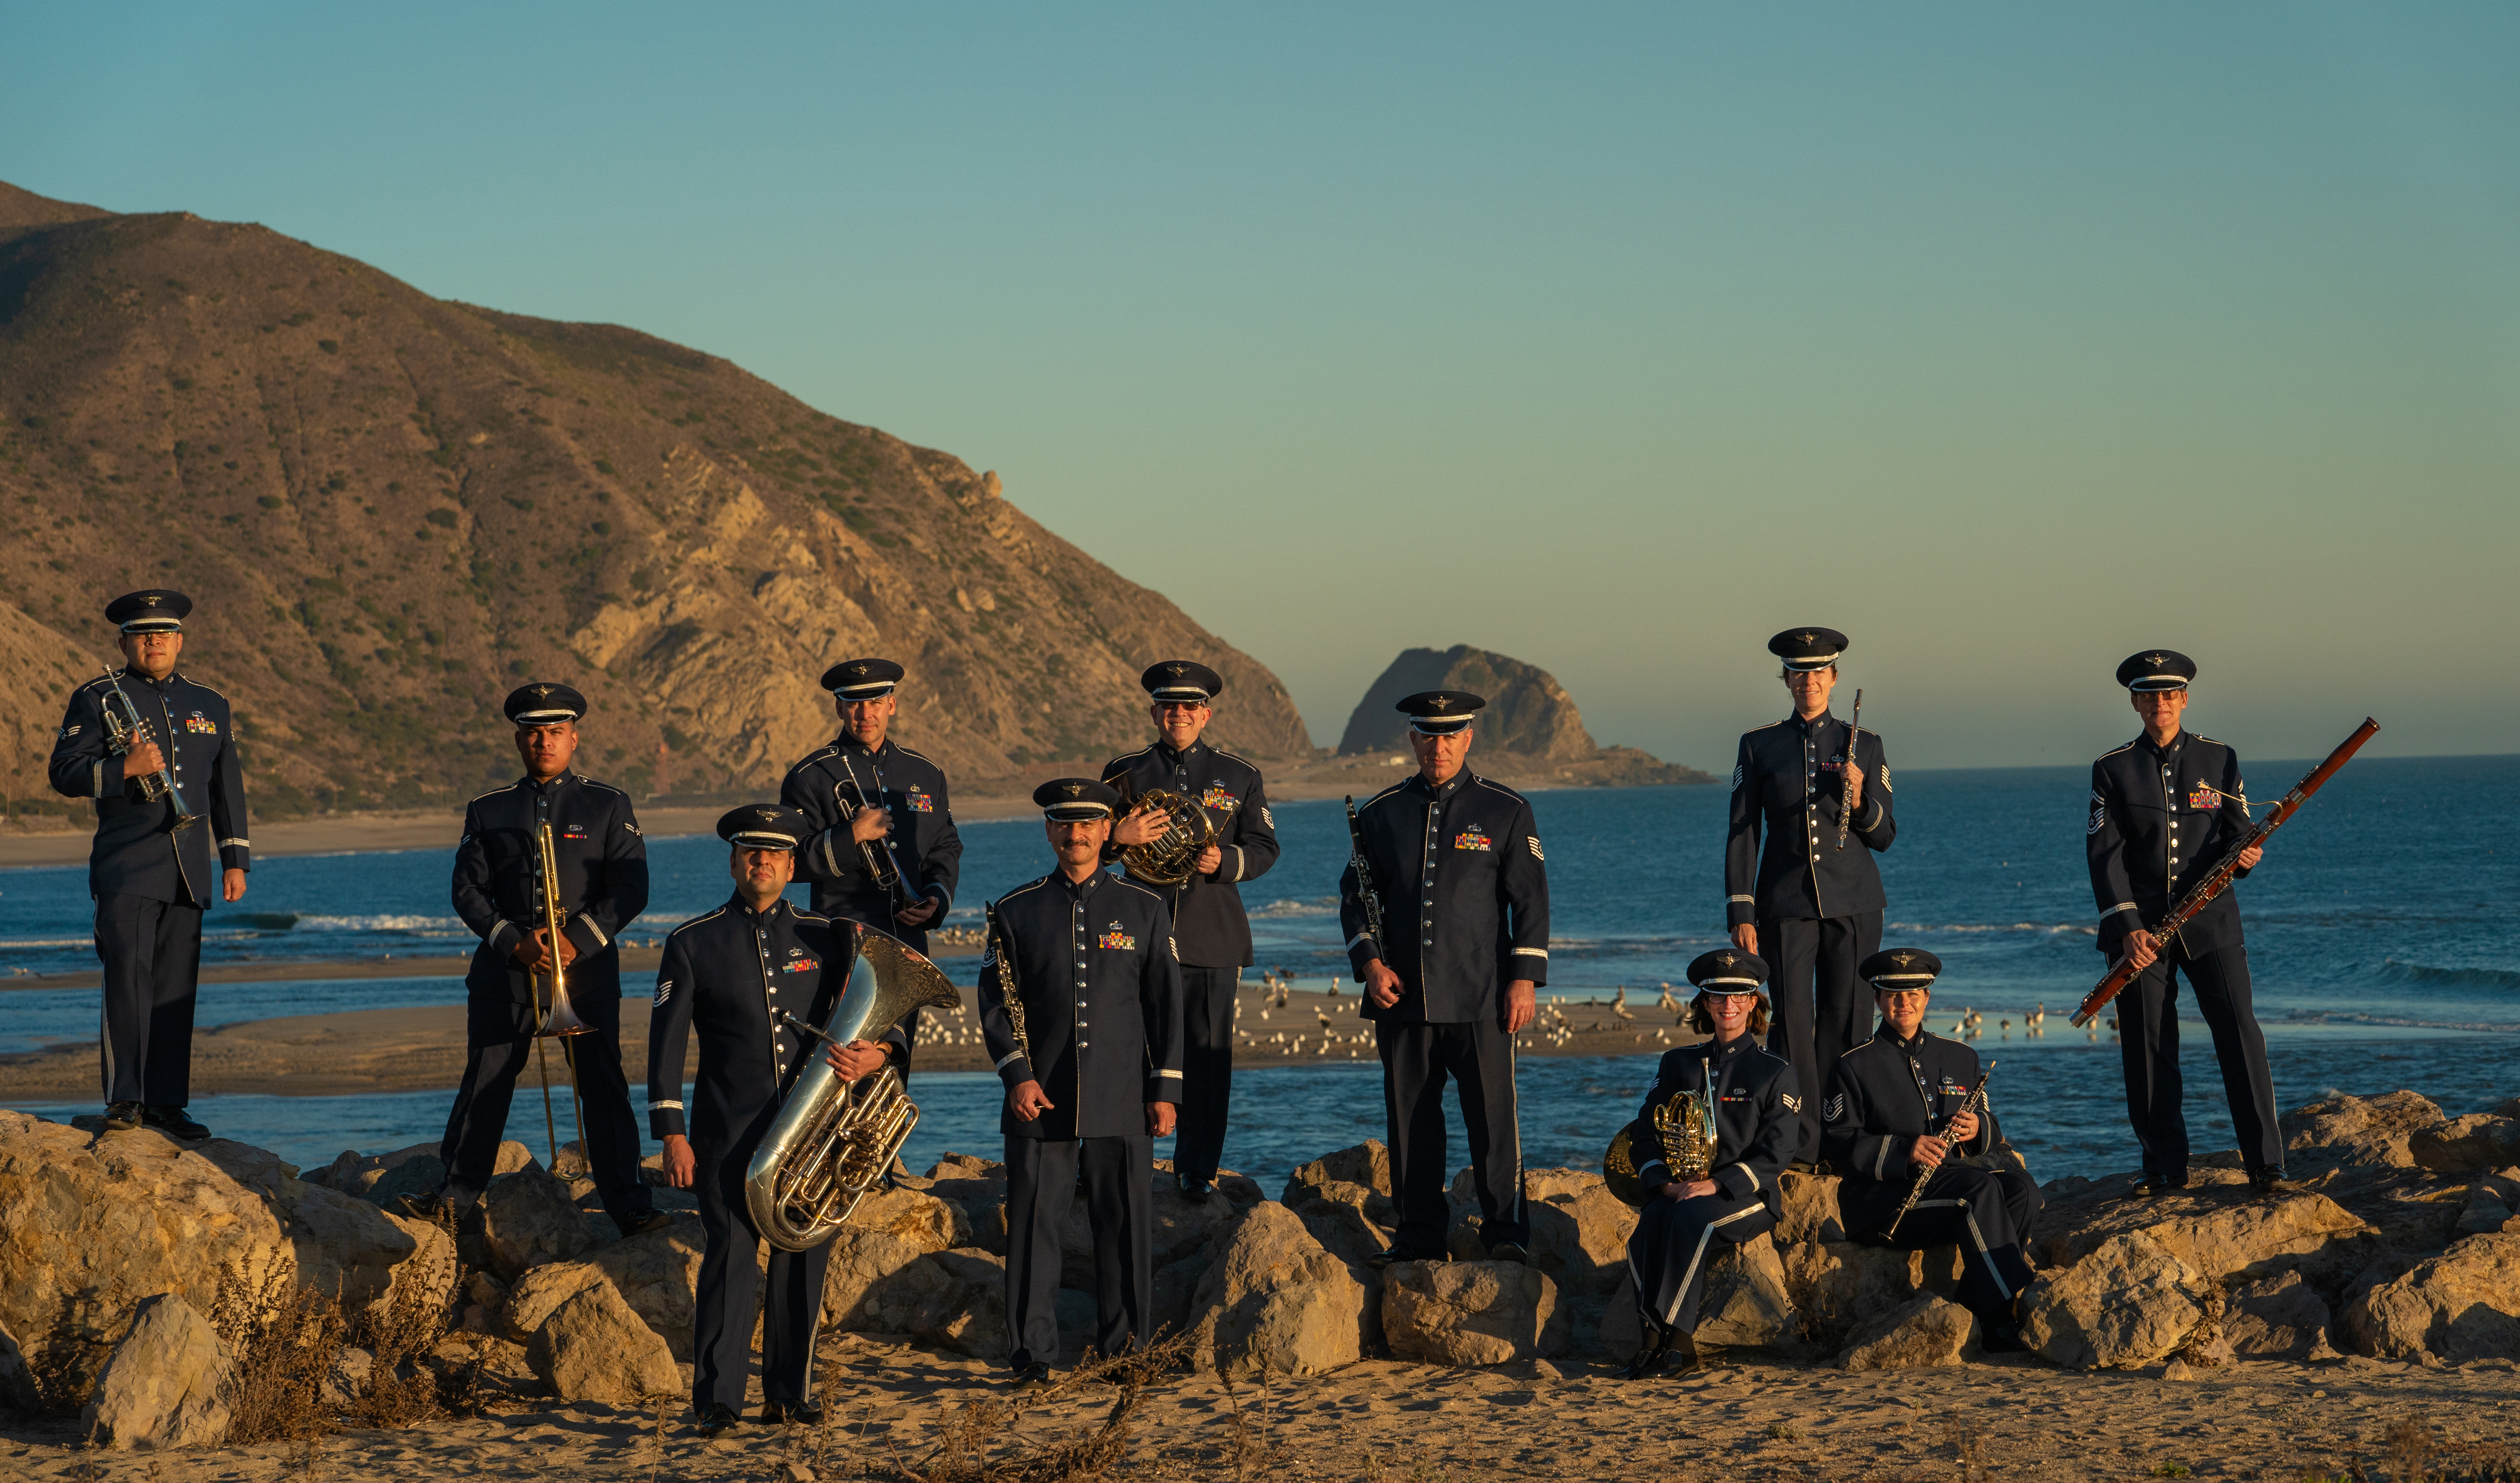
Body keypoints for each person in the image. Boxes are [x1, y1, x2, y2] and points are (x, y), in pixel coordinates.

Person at [648, 805, 902, 1434]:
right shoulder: (693, 940)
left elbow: (884, 1006)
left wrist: (882, 1051)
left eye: (774, 854)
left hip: (816, 1132)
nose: (761, 862)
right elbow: (666, 1046)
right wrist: (672, 1132)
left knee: (802, 1262)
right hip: (727, 1132)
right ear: (734, 863)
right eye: (749, 853)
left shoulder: (830, 935)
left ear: (792, 866)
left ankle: (791, 1393)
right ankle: (717, 1401)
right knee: (730, 1260)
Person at [424, 683, 667, 1234]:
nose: (544, 741)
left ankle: (627, 1202)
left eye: (555, 731)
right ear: (519, 739)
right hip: (505, 974)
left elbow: (632, 886)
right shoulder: (488, 808)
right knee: (486, 1084)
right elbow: (467, 890)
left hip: (584, 976)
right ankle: (456, 1194)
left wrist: (575, 938)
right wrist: (513, 938)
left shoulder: (607, 804)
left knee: (603, 1088)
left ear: (574, 738)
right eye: (534, 732)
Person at [979, 779, 1183, 1390]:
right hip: (1039, 1098)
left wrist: (1165, 1088)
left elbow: (1166, 1006)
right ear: (1049, 832)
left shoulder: (1146, 907)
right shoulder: (1014, 910)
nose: (1076, 834)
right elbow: (994, 1003)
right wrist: (1016, 1075)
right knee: (1035, 1227)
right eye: (1064, 824)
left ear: (1105, 829)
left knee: (1123, 1226)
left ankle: (1125, 1349)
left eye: (1088, 823)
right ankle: (1031, 1354)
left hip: (1125, 1095)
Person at [1339, 690, 1549, 1266]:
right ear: (1413, 739)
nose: (1438, 746)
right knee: (1411, 1125)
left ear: (1468, 737)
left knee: (1494, 1122)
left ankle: (1506, 1231)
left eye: (1450, 735)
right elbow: (1356, 894)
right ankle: (1418, 1235)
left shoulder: (1506, 809)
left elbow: (1529, 900)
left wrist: (1524, 979)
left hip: (1483, 995)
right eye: (1427, 735)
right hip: (1401, 998)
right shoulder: (1382, 813)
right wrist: (1370, 963)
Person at [45, 590, 250, 1140]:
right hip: (127, 867)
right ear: (124, 642)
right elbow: (63, 772)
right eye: (142, 633)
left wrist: (235, 860)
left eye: (163, 632)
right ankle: (126, 1098)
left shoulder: (211, 703)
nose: (153, 641)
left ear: (180, 640)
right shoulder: (96, 698)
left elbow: (226, 786)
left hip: (189, 868)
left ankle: (166, 1102)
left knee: (175, 989)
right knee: (128, 983)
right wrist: (123, 768)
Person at [2087, 650, 2289, 1196]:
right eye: (2150, 695)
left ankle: (2267, 1165)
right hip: (2142, 930)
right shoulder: (2113, 768)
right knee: (2148, 1047)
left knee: (2241, 1036)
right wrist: (2127, 925)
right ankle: (2164, 1167)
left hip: (2212, 921)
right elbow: (2105, 855)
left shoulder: (2219, 758)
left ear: (2185, 698)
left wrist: (2247, 855)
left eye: (2170, 694)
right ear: (2135, 701)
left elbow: (2236, 831)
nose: (2161, 703)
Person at [1101, 659, 1281, 1199]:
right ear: (1155, 711)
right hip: (1137, 931)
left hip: (1212, 935)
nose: (1179, 715)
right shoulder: (1124, 772)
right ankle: (1119, 1161)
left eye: (1189, 707)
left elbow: (1265, 848)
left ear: (1207, 714)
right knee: (1128, 1048)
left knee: (1207, 1058)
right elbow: (1087, 843)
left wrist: (1224, 862)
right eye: (1169, 706)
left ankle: (1197, 1169)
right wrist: (1121, 837)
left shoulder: (1240, 775)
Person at [1724, 626, 1895, 1167]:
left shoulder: (1864, 743)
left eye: (1819, 673)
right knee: (1792, 1022)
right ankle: (1801, 1144)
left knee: (1848, 1018)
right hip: (1786, 905)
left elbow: (1885, 835)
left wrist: (1862, 797)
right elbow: (1743, 832)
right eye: (1799, 673)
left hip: (1856, 905)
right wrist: (1741, 909)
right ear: (1788, 680)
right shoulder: (1759, 745)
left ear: (1834, 678)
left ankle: (1843, 1137)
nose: (1809, 682)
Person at [1821, 949, 2037, 1351]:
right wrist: (1906, 1150)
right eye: (1892, 994)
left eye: (1914, 994)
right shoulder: (1853, 1065)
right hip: (1881, 1203)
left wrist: (1977, 1129)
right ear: (1877, 999)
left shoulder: (1960, 1056)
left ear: (1928, 997)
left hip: (1949, 1188)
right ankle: (2000, 1320)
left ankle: (1974, 1303)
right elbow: (1838, 1141)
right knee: (1978, 1191)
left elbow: (1990, 1125)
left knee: (2023, 1191)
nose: (1904, 1003)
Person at [1619, 948, 1799, 1380]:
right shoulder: (1678, 1063)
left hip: (1749, 1196)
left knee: (1691, 1222)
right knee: (1649, 1226)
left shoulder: (1775, 1071)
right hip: (1680, 1188)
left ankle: (1678, 1342)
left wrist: (1718, 1184)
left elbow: (1779, 1150)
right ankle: (1650, 1337)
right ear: (1704, 1003)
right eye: (1718, 997)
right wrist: (1662, 1182)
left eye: (1739, 997)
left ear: (1754, 1002)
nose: (1728, 1006)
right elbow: (1644, 1132)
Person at [783, 658, 963, 1062]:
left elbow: (945, 847)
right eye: (854, 703)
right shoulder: (810, 775)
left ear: (892, 705)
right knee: (838, 1067)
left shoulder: (926, 773)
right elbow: (790, 861)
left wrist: (937, 898)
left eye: (875, 702)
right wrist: (852, 836)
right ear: (839, 708)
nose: (865, 713)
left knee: (892, 1071)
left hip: (907, 946)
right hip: (842, 947)